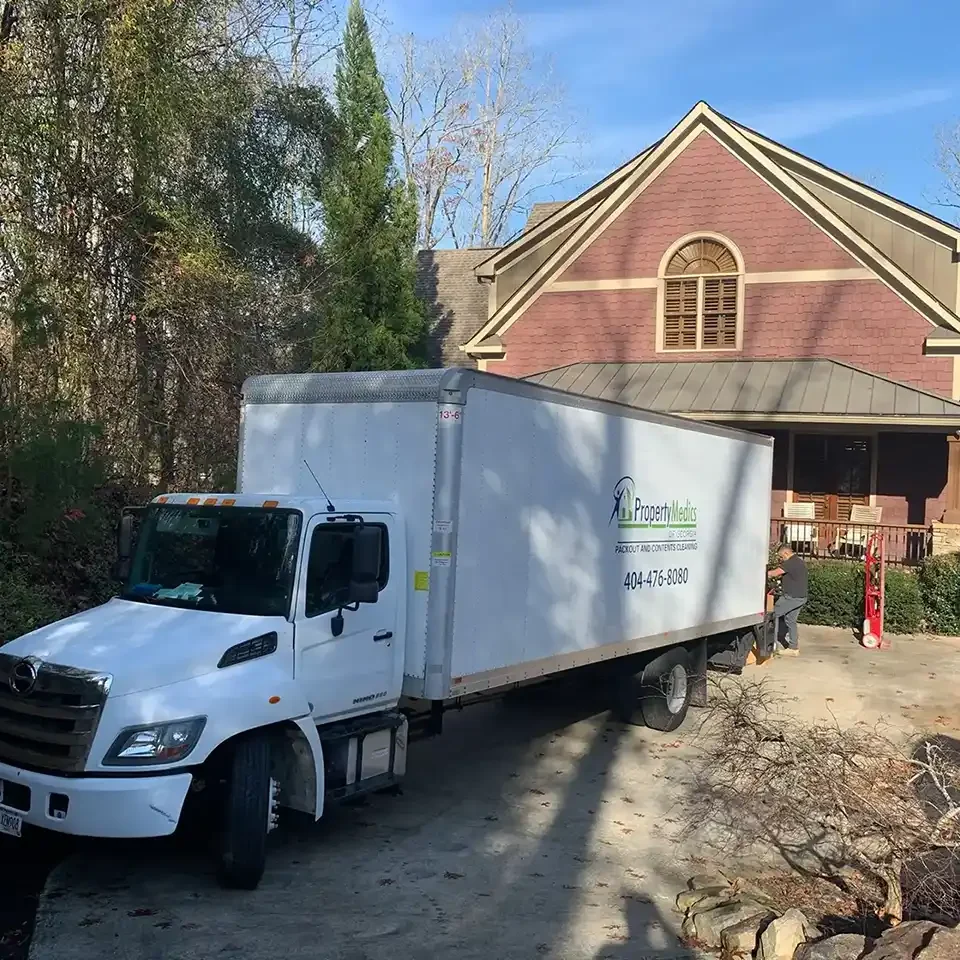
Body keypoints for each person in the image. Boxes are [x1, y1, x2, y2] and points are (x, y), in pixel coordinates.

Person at [767, 544, 808, 656]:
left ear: (786, 553)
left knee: (772, 616)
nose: (781, 559)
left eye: (781, 557)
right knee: (790, 620)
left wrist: (761, 573)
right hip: (801, 597)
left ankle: (771, 646)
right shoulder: (799, 561)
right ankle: (793, 648)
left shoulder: (790, 562)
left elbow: (774, 573)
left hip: (791, 597)